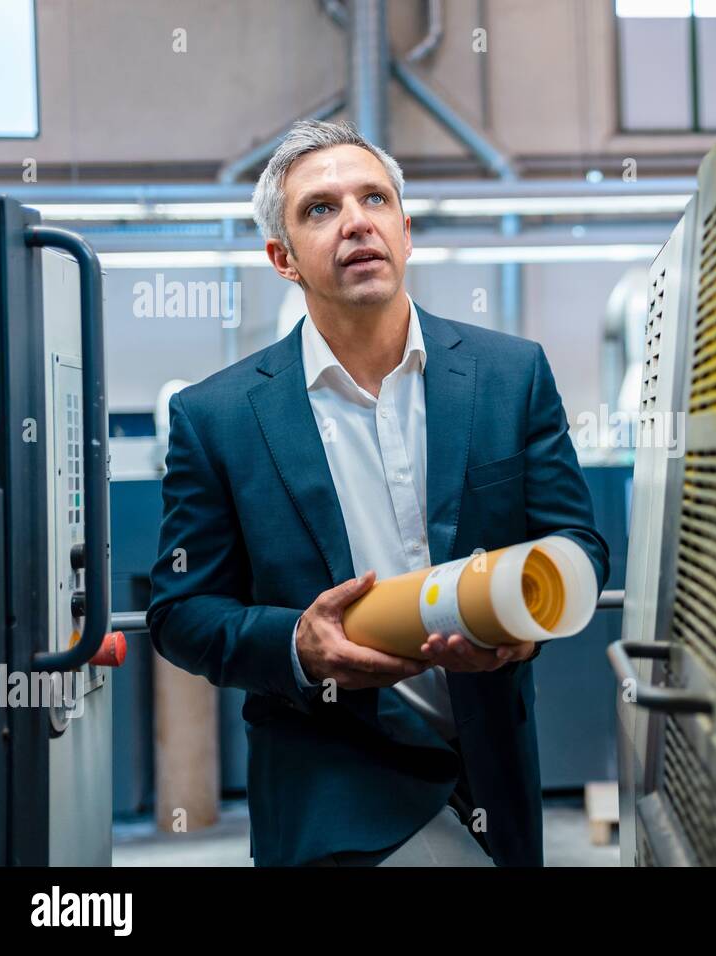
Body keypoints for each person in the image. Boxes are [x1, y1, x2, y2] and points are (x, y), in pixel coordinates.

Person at [146, 119, 610, 866]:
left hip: (489, 768)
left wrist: (526, 628)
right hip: (331, 779)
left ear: (405, 228)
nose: (356, 220)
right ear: (283, 258)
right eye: (320, 209)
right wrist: (298, 644)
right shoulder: (217, 417)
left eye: (375, 199)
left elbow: (578, 544)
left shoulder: (509, 375)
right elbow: (181, 611)